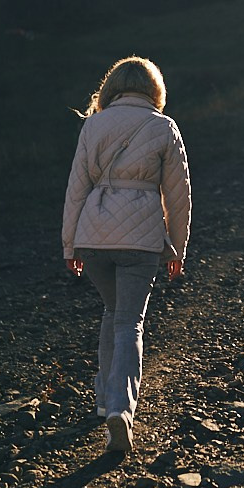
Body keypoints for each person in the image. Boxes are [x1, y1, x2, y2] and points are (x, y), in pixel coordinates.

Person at [62, 56, 191, 454]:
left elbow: (76, 189)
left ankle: (104, 398)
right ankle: (121, 408)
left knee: (112, 312)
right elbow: (178, 196)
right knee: (129, 323)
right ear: (155, 90)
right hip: (140, 241)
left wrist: (70, 244)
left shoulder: (93, 125)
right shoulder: (164, 127)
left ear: (112, 88)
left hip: (94, 237)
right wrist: (178, 247)